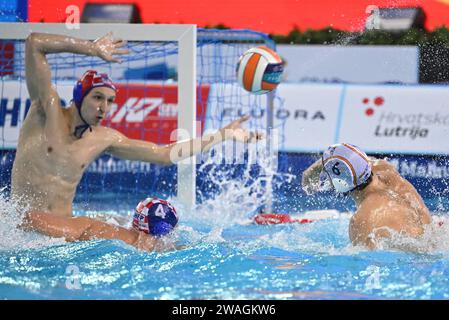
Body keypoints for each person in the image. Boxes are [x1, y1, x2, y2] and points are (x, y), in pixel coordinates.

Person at [14, 31, 263, 251]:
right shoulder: (46, 110)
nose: (104, 107)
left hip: (61, 234)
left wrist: (223, 135)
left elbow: (165, 154)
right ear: (80, 95)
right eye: (97, 97)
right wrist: (92, 48)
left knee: (141, 237)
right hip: (25, 227)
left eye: (110, 101)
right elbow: (34, 42)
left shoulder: (104, 138)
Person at [301, 143, 432, 251]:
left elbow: (365, 267)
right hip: (433, 243)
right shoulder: (385, 168)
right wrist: (311, 172)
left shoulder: (362, 220)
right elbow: (355, 160)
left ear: (340, 183)